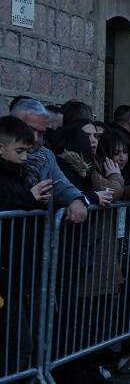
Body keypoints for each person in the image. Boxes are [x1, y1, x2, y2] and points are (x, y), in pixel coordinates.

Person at [0, 116, 52, 377]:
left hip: (19, 275)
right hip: (7, 274)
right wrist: (28, 199)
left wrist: (37, 203)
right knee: (17, 346)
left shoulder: (18, 174)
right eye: (19, 151)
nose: (24, 157)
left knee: (21, 345)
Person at [10, 99, 88, 223]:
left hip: (35, 235)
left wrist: (77, 200)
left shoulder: (46, 155)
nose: (35, 138)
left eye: (40, 133)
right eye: (30, 129)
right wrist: (29, 197)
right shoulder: (5, 152)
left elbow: (61, 184)